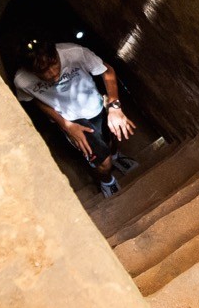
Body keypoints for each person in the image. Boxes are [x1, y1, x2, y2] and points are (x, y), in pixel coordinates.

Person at [14, 38, 138, 197]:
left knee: (111, 138)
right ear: (30, 70)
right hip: (72, 120)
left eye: (53, 64)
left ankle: (116, 157)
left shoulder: (74, 53)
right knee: (103, 163)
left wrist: (114, 107)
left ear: (56, 53)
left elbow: (107, 71)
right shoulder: (22, 81)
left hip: (95, 106)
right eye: (43, 71)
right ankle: (107, 181)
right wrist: (65, 125)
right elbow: (35, 99)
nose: (52, 73)